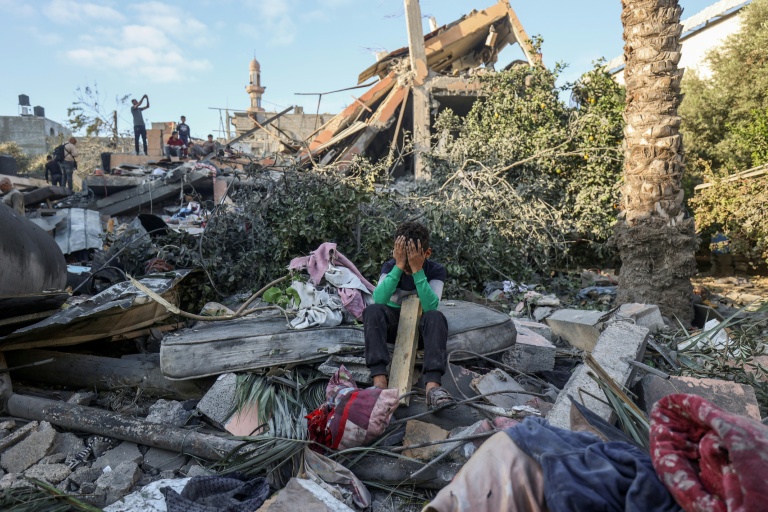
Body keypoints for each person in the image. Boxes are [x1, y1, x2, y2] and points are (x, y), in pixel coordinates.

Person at [364, 221, 456, 410]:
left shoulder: (436, 271)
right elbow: (379, 299)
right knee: (372, 311)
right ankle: (379, 381)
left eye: (411, 259)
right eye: (403, 258)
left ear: (426, 253)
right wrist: (398, 266)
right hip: (393, 324)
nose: (406, 265)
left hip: (421, 326)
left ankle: (433, 387)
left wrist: (417, 271)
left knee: (436, 317)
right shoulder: (391, 266)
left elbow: (431, 306)